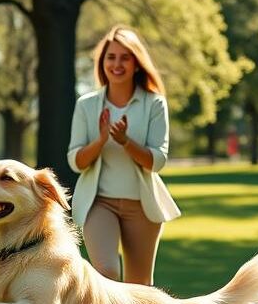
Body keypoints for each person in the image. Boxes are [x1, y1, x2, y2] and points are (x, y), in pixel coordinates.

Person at [66, 26, 180, 285]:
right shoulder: (87, 105)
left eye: (125, 58)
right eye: (111, 57)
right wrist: (102, 140)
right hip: (99, 204)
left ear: (137, 64)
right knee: (106, 274)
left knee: (140, 288)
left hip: (142, 206)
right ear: (102, 63)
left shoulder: (154, 103)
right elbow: (76, 161)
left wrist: (126, 142)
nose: (117, 64)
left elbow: (157, 161)